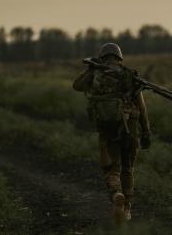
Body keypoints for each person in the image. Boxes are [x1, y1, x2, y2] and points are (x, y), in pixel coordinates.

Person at [72, 43, 151, 224]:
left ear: (102, 56)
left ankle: (117, 194)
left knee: (111, 168)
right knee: (128, 167)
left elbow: (76, 86)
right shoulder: (129, 75)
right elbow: (142, 107)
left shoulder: (95, 73)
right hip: (130, 126)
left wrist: (89, 69)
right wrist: (146, 131)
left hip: (107, 129)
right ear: (119, 57)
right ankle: (128, 208)